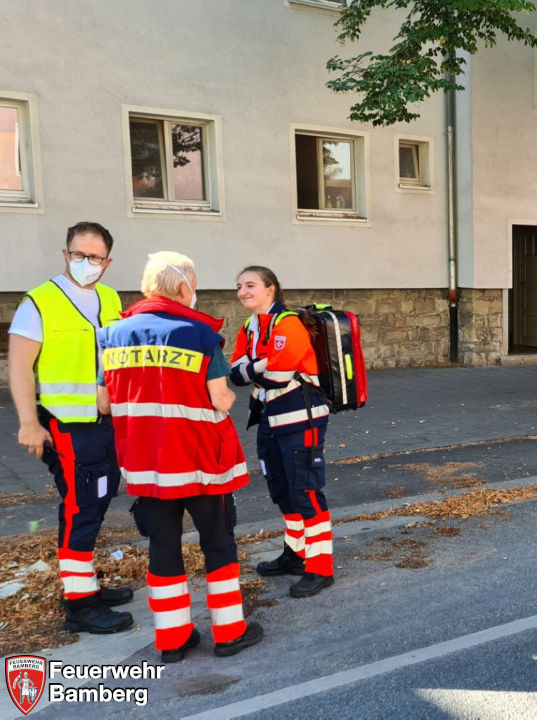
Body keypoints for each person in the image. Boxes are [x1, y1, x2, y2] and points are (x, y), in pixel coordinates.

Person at [98, 252, 263, 661]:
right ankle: (229, 633)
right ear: (184, 287)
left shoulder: (111, 334)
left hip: (147, 464)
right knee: (217, 542)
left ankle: (172, 640)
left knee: (163, 546)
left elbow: (103, 403)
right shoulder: (200, 334)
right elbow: (221, 399)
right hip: (199, 461)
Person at [7, 222, 134, 635]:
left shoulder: (110, 298)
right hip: (67, 425)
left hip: (104, 424)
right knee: (82, 507)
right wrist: (28, 423)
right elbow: (20, 368)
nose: (86, 262)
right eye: (78, 254)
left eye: (95, 257)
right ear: (66, 254)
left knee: (95, 501)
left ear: (107, 262)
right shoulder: (40, 301)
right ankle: (80, 605)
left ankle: (85, 585)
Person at [230, 267, 335, 598]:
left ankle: (320, 567)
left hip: (301, 419)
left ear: (270, 289)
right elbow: (235, 374)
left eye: (250, 285)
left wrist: (255, 366)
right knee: (282, 491)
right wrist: (263, 363)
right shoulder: (249, 327)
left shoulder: (288, 324)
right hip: (268, 419)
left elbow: (277, 377)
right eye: (239, 286)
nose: (243, 292)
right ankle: (296, 553)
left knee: (305, 491)